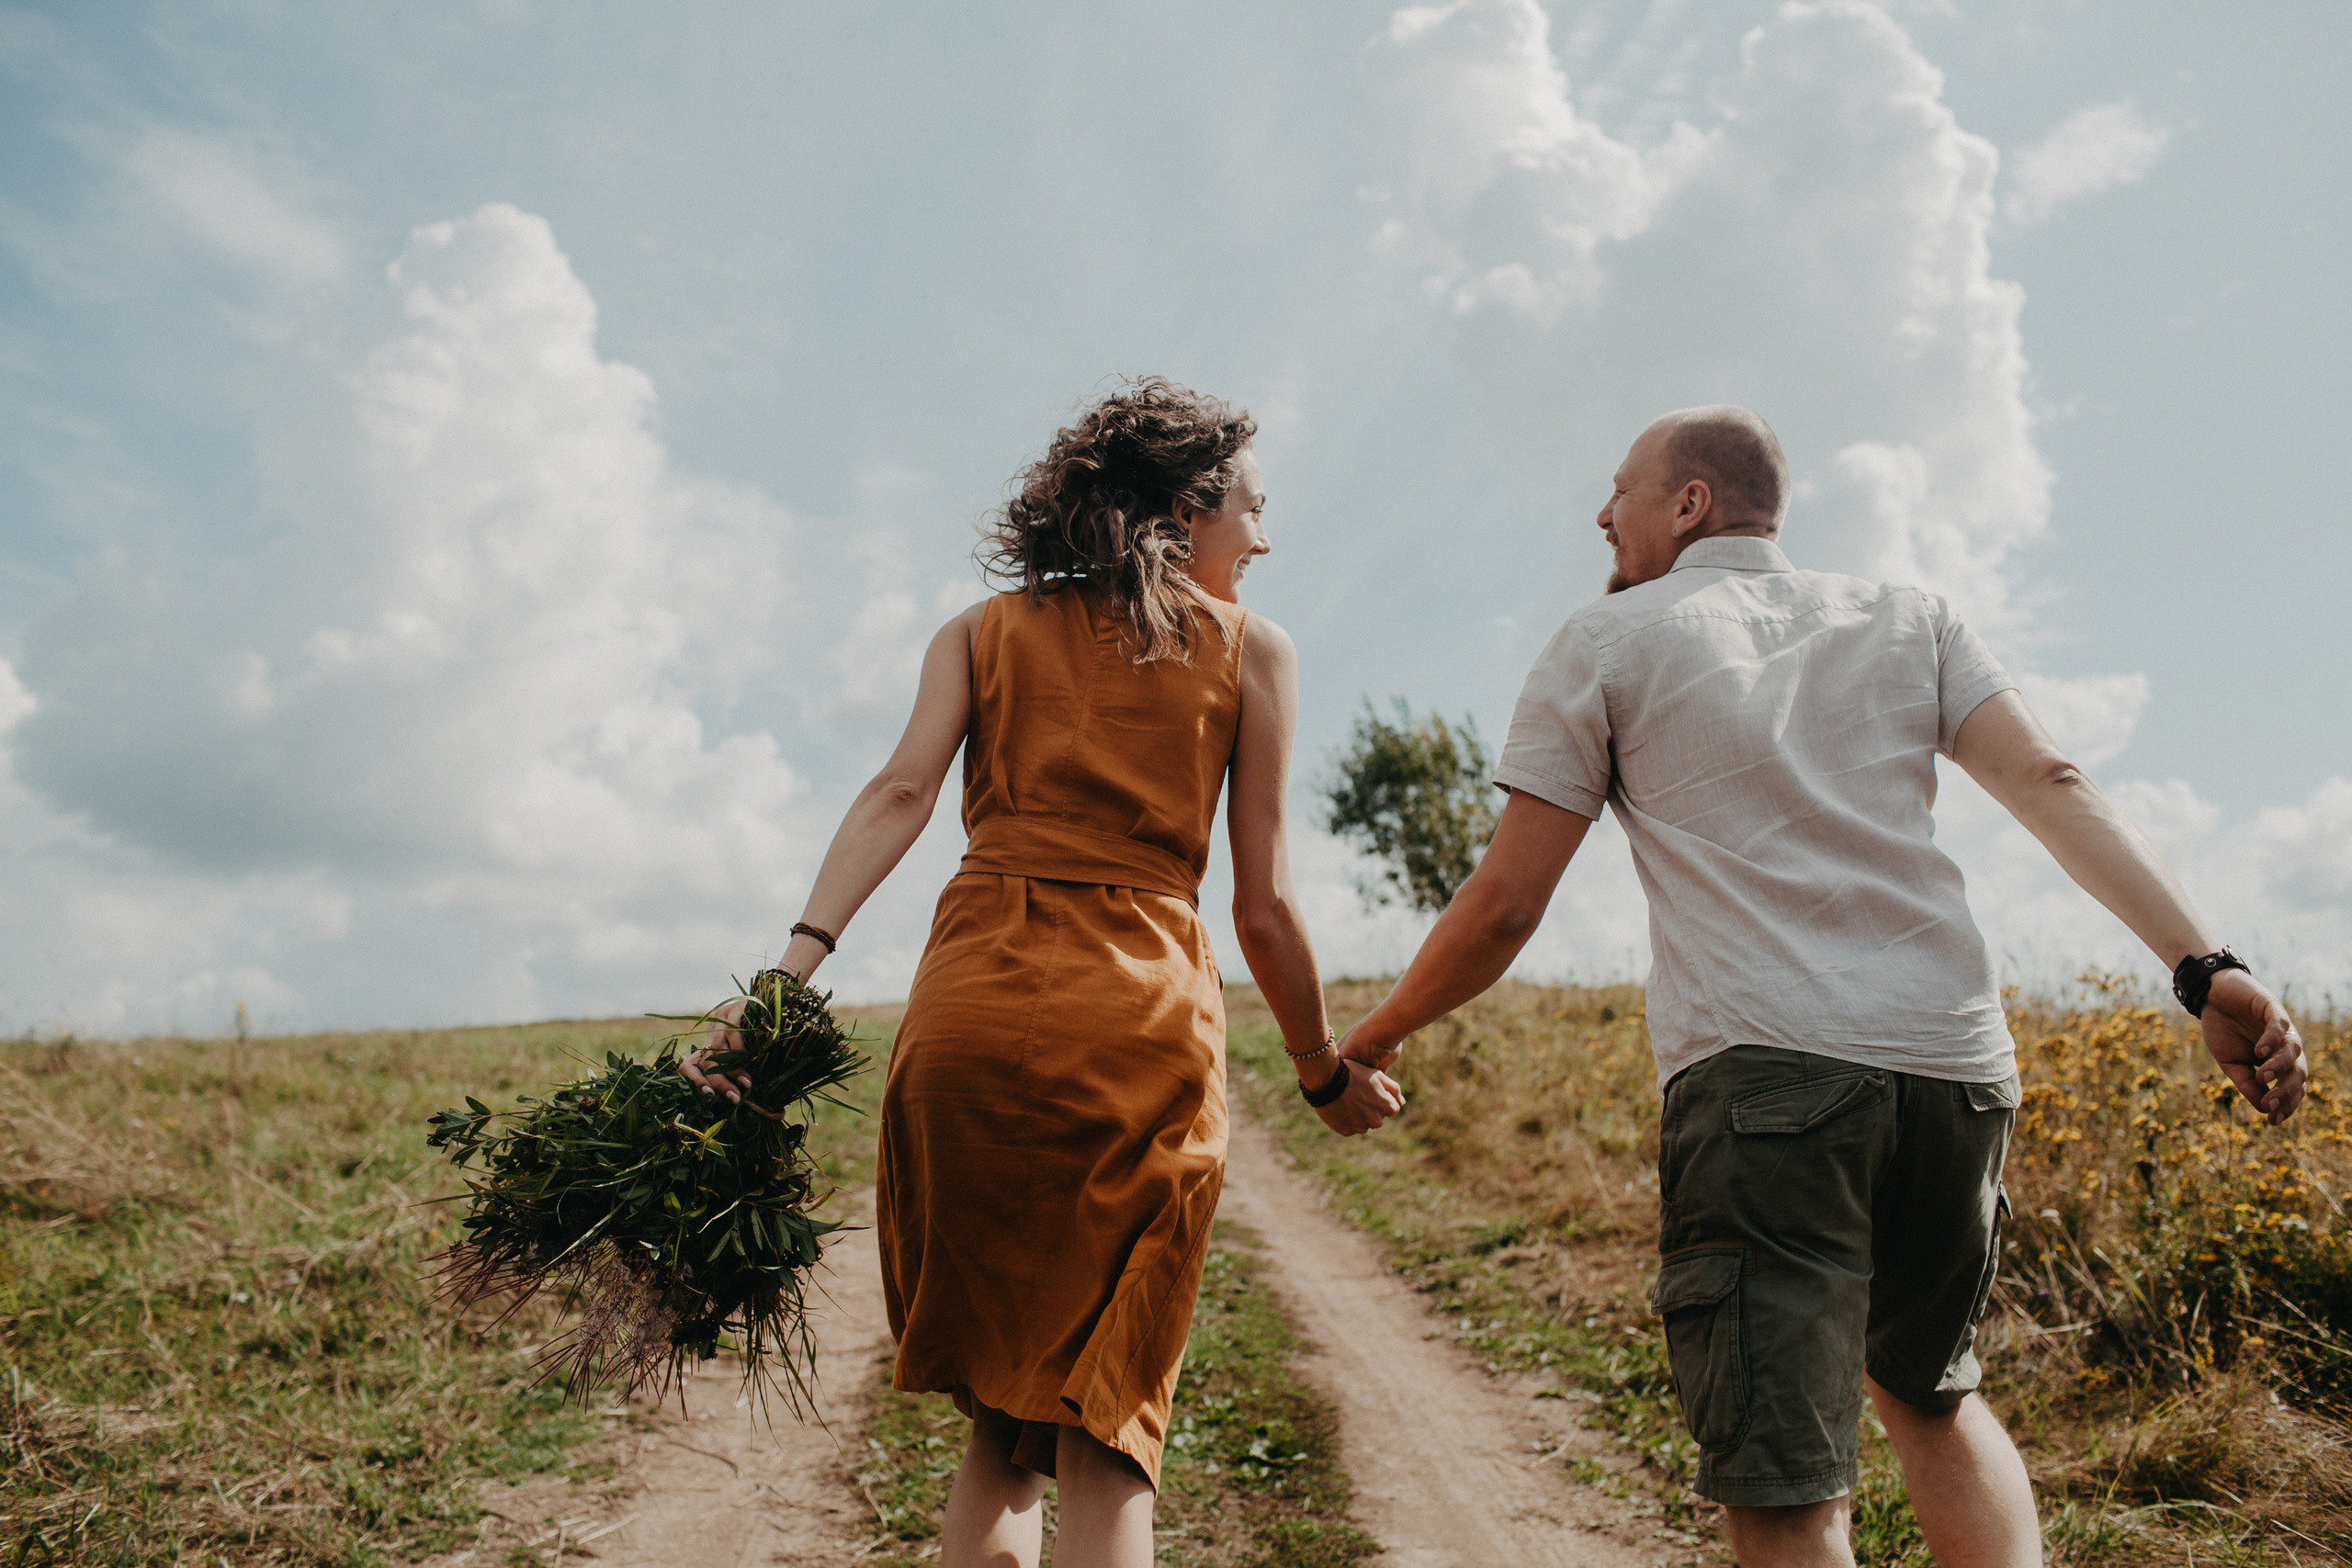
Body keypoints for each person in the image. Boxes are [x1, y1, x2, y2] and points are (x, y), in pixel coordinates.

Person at [1333, 405, 2308, 1568]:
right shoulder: (1910, 617)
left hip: (1765, 1080)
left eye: (1620, 491)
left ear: (1688, 502)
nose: (1601, 515)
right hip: (1953, 1070)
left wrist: (1377, 1036)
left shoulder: (1604, 643)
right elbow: (2050, 778)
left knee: (1788, 1486)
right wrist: (2207, 969)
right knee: (1933, 1397)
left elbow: (1504, 905)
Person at [684, 378, 1402, 1568]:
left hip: (967, 1027)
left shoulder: (983, 629)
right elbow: (1263, 907)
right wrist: (1323, 1073)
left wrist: (789, 975)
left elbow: (902, 794)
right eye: (1254, 512)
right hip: (1138, 1035)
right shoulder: (1248, 651)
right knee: (1108, 1440)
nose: (1265, 540)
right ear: (1189, 505)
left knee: (1003, 1434)